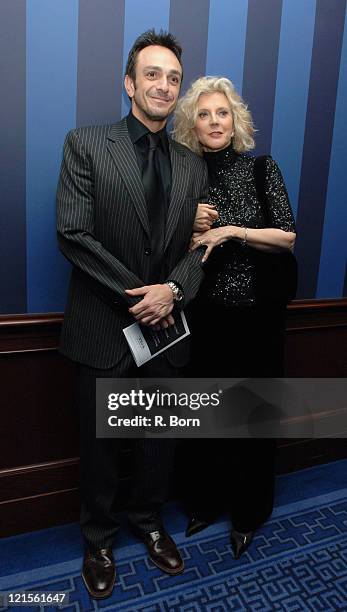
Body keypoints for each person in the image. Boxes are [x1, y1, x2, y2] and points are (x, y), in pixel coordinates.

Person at [56, 30, 208, 600]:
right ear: (129, 83)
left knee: (157, 438)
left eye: (173, 77)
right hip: (102, 328)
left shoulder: (192, 166)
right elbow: (72, 234)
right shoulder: (86, 144)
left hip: (167, 331)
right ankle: (97, 538)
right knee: (98, 443)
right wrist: (141, 293)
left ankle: (147, 520)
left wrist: (172, 290)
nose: (164, 85)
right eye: (152, 74)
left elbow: (200, 247)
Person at [173, 76, 296, 559]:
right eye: (203, 114)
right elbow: (173, 252)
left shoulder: (262, 168)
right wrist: (192, 227)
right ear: (192, 126)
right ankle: (204, 503)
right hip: (205, 319)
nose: (213, 121)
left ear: (235, 120)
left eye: (221, 112)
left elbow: (287, 236)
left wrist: (229, 230)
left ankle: (249, 512)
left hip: (257, 320)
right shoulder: (186, 179)